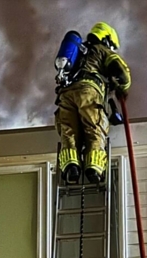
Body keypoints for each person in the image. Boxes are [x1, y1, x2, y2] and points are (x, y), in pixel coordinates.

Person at [55, 22, 131, 184]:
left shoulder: (80, 51)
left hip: (65, 94)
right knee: (94, 128)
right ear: (107, 40)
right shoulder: (102, 50)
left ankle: (71, 167)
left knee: (69, 132)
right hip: (88, 92)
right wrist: (122, 88)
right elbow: (122, 73)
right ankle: (94, 168)